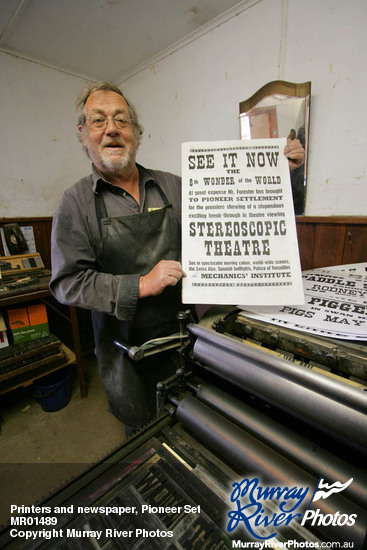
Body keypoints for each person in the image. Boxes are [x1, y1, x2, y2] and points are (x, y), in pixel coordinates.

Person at [50, 81, 304, 434]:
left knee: (192, 425)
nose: (112, 128)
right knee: (143, 439)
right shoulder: (74, 203)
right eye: (98, 120)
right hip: (126, 353)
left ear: (136, 133)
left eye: (121, 120)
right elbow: (67, 283)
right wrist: (139, 284)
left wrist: (277, 173)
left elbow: (231, 214)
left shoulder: (175, 186)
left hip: (185, 338)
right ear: (83, 134)